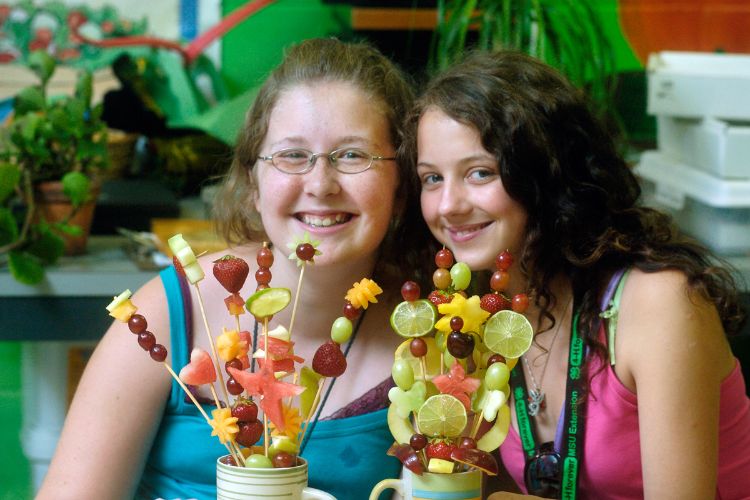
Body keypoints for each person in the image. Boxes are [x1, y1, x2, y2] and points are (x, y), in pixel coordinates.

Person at [39, 37, 417, 500]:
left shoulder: (427, 337)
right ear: (253, 184)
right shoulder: (166, 313)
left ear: (401, 187)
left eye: (353, 155)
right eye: (292, 155)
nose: (320, 184)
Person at [402, 49, 750, 499]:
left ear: (548, 173)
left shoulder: (660, 303)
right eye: (432, 178)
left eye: (480, 172)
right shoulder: (484, 317)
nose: (448, 205)